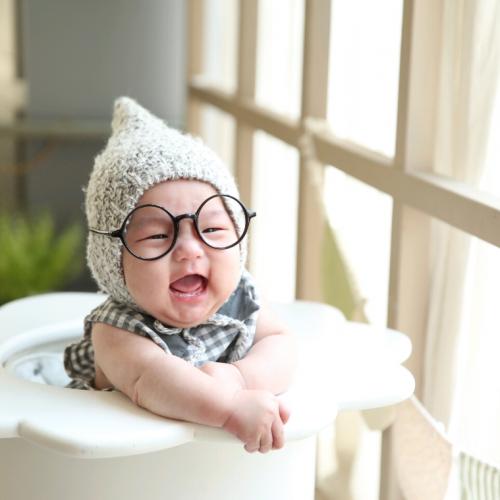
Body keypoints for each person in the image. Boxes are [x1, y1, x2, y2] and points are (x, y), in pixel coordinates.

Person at [64, 96, 297, 454]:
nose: (189, 250)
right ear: (113, 259)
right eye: (158, 235)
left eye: (213, 229)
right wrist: (230, 406)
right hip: (125, 464)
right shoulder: (117, 331)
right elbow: (153, 380)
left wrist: (241, 376)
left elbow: (281, 344)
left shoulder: (238, 298)